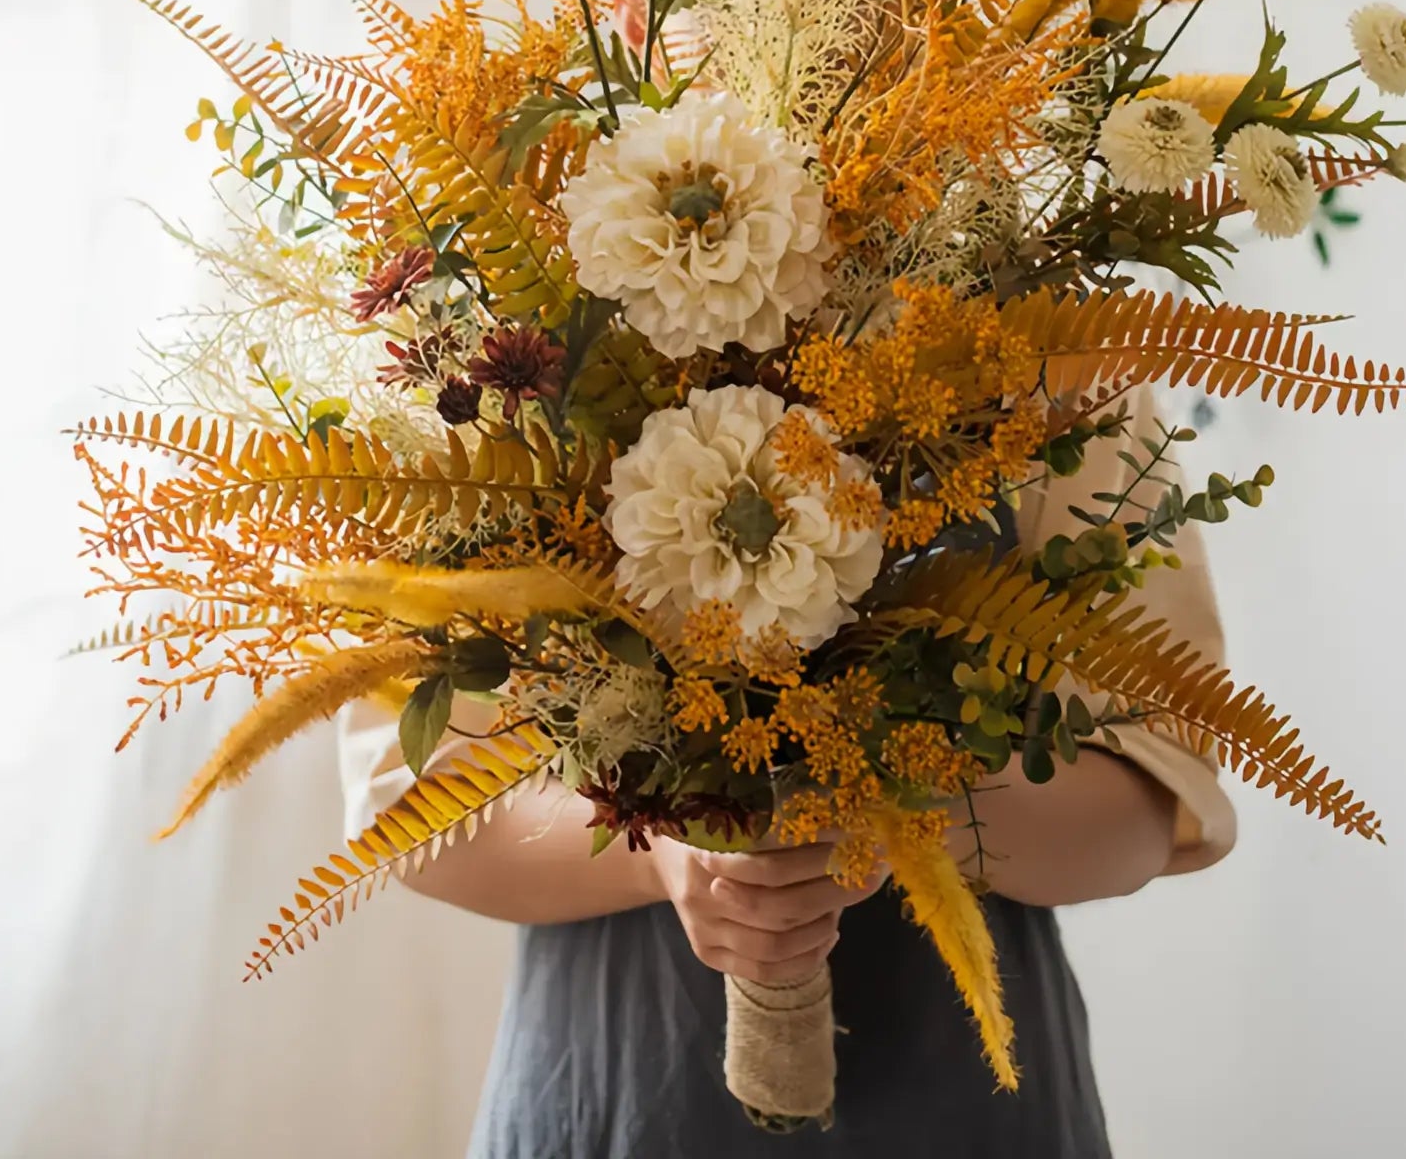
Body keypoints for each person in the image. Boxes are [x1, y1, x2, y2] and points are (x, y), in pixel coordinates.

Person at [337, 390, 1235, 1159]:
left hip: (957, 1103)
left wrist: (888, 807)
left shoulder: (1059, 356)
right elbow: (408, 807)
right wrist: (660, 849)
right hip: (614, 1093)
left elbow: (1150, 794)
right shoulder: (482, 365)